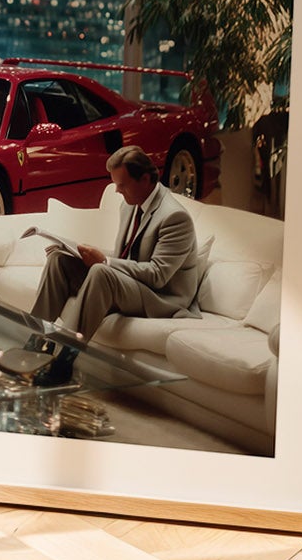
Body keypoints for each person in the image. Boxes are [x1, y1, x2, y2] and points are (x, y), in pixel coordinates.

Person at [26, 146, 200, 384]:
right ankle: (34, 347)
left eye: (123, 185)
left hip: (160, 298)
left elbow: (158, 275)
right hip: (131, 285)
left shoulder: (174, 218)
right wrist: (77, 252)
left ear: (146, 179)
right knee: (60, 261)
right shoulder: (129, 204)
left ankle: (63, 362)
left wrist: (105, 261)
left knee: (101, 272)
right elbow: (127, 257)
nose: (117, 191)